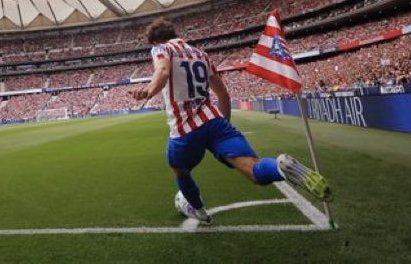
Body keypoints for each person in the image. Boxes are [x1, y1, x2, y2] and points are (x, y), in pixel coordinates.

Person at [131, 17, 332, 223]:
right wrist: (223, 124)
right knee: (252, 168)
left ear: (156, 41)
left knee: (180, 171)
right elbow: (223, 94)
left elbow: (163, 70)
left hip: (185, 129)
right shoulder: (201, 54)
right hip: (215, 121)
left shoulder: (161, 49)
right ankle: (281, 168)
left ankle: (199, 211)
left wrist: (149, 90)